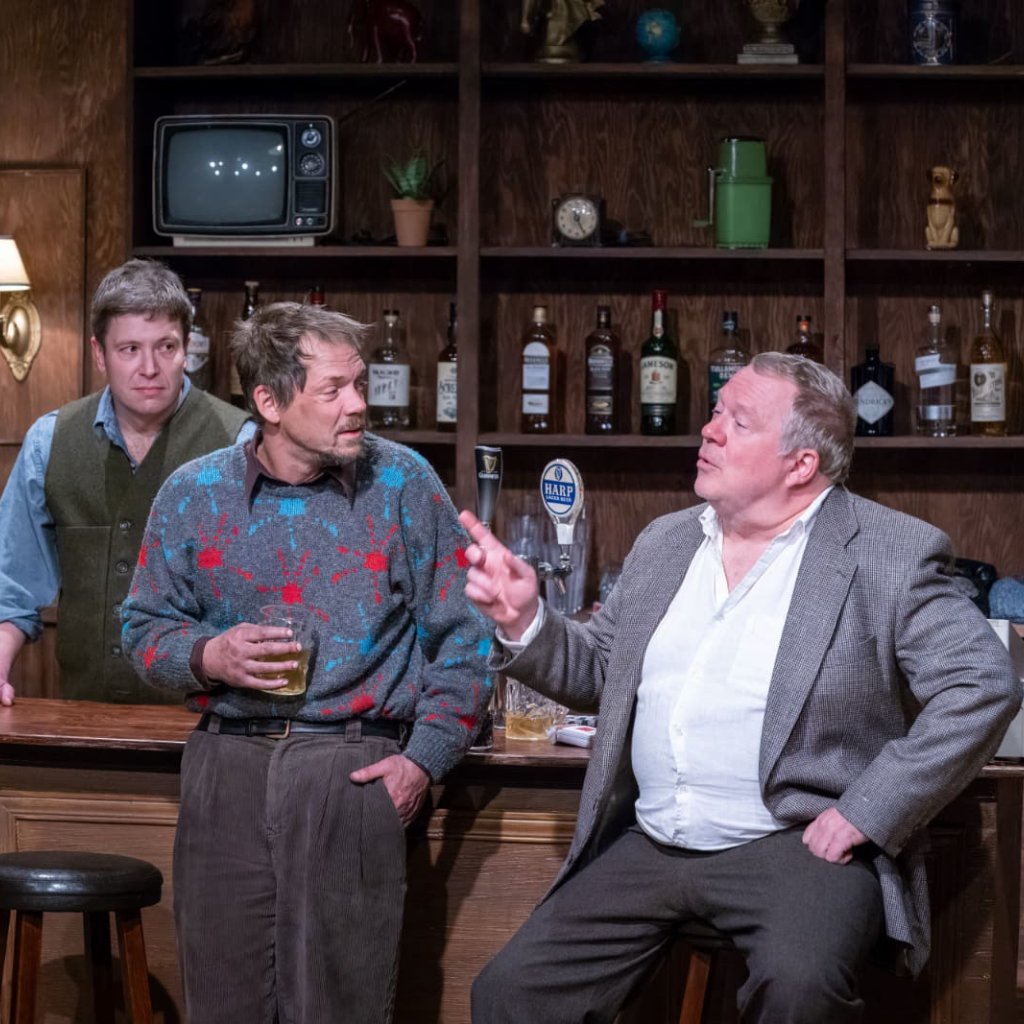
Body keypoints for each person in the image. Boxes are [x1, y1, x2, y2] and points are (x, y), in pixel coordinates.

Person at [461, 352, 1021, 1024]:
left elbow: (981, 683)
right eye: (716, 412)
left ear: (800, 464)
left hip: (793, 840)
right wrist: (526, 621)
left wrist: (867, 810)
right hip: (653, 837)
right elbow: (602, 672)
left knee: (800, 989)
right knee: (510, 993)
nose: (709, 429)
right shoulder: (665, 542)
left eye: (738, 421)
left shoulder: (889, 554)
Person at [121, 301, 491, 1024]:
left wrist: (425, 762)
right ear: (269, 402)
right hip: (224, 771)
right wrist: (208, 655)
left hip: (348, 771)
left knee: (338, 1007)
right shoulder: (193, 494)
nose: (359, 405)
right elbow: (141, 629)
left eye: (359, 384)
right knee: (221, 1004)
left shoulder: (404, 484)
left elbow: (466, 638)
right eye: (334, 390)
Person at [0, 258, 253, 705]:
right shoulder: (48, 442)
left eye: (166, 347)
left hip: (212, 727)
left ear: (186, 348)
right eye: (130, 349)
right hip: (83, 717)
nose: (150, 368)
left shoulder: (242, 444)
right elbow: (11, 587)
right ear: (100, 354)